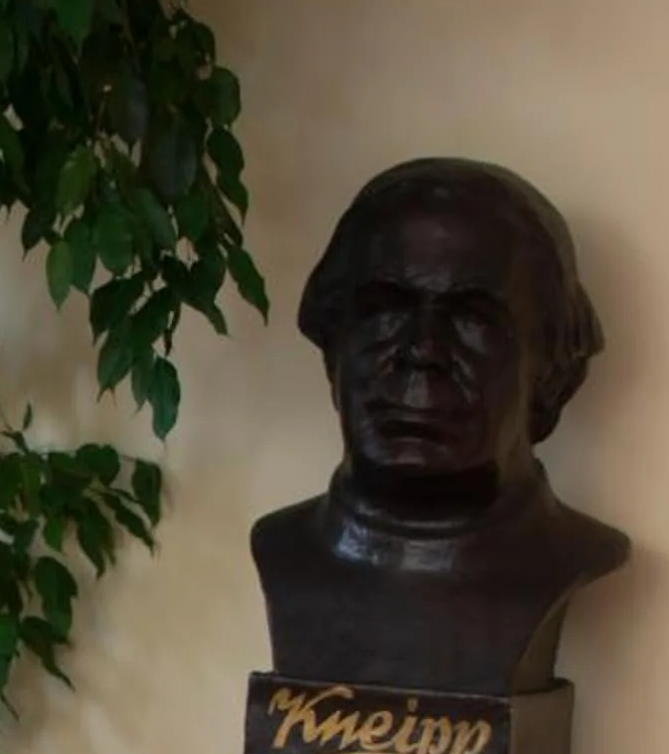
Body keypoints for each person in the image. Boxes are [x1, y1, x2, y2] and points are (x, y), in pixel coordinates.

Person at [250, 157, 628, 697]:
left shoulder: (573, 556)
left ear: (551, 370)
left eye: (473, 318)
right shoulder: (280, 548)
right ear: (332, 346)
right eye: (384, 310)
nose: (422, 352)